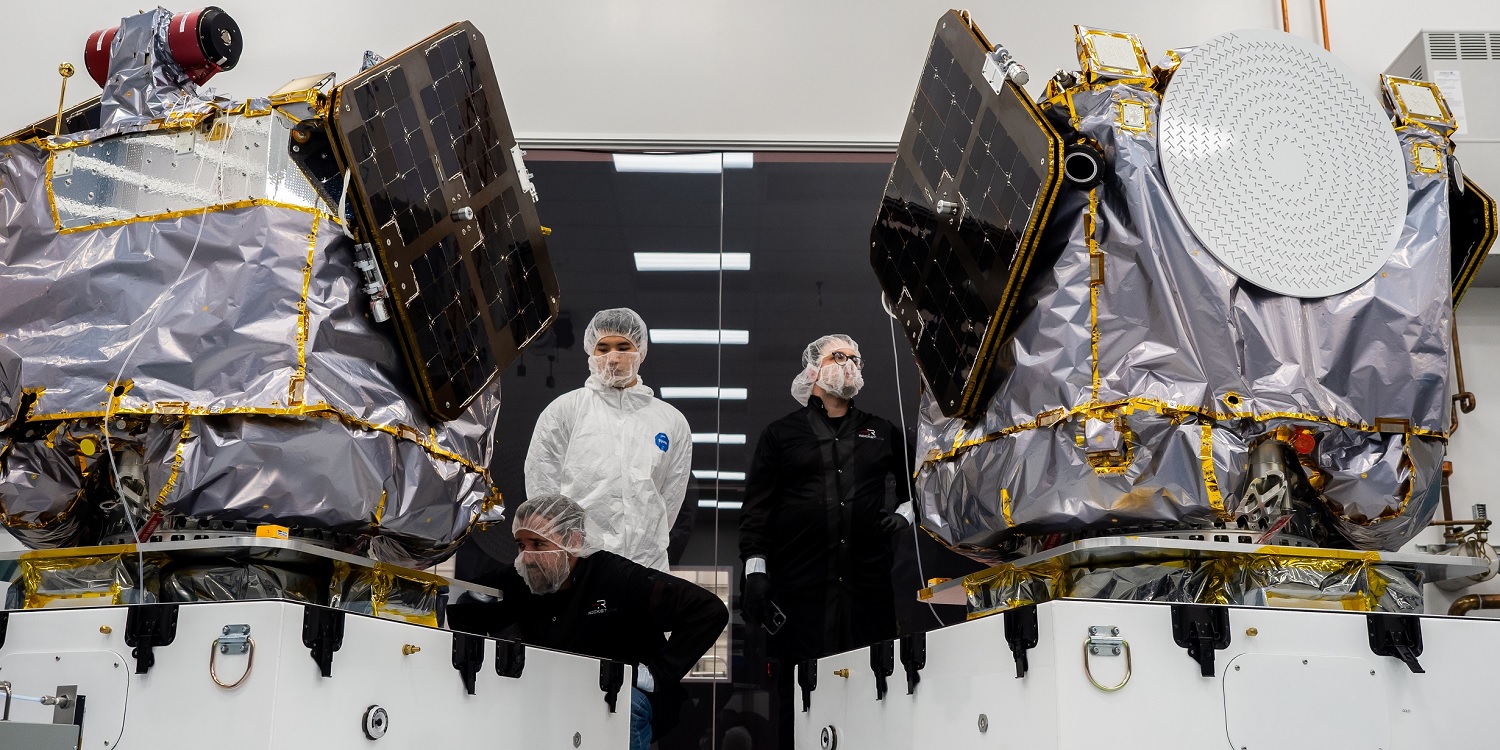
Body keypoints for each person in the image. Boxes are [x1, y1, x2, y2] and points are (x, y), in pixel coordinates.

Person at [738, 334, 914, 750]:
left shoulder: (882, 432)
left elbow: (920, 486)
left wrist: (902, 517)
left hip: (866, 591)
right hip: (800, 592)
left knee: (872, 695)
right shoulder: (781, 435)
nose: (850, 363)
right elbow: (756, 512)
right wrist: (756, 574)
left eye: (856, 358)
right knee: (798, 701)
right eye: (840, 356)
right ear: (813, 369)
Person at [447, 495, 728, 750]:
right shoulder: (523, 579)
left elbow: (707, 610)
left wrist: (657, 674)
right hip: (560, 690)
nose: (527, 557)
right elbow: (465, 607)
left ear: (574, 542)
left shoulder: (617, 577)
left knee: (625, 708)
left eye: (538, 544)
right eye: (521, 545)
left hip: (623, 698)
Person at [525, 308, 692, 571]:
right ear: (591, 352)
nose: (613, 357)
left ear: (642, 352)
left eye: (623, 347)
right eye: (603, 348)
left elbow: (669, 500)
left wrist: (645, 542)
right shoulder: (565, 411)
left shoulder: (670, 421)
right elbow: (542, 487)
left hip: (646, 565)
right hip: (579, 564)